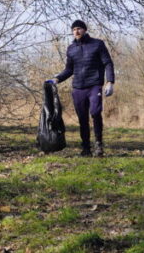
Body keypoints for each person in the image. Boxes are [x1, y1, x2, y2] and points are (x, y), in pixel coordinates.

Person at [48, 19, 115, 156]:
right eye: (73, 30)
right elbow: (69, 69)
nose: (76, 32)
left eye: (78, 29)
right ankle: (85, 147)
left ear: (84, 30)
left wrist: (110, 82)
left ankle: (98, 144)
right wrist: (57, 79)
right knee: (82, 118)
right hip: (78, 87)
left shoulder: (97, 44)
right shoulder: (71, 49)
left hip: (94, 85)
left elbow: (108, 63)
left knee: (95, 112)